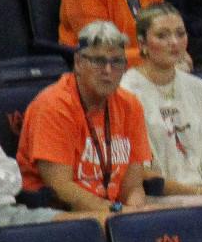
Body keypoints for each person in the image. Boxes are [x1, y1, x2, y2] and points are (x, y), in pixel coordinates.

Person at [17, 22, 156, 218]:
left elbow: (132, 186)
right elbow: (61, 187)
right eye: (98, 61)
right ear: (79, 63)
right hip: (58, 211)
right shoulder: (53, 106)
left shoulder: (130, 105)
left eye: (116, 62)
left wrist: (135, 214)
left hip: (111, 211)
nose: (108, 70)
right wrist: (118, 213)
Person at [122, 5, 202, 205]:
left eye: (180, 34)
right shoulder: (126, 92)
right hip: (156, 197)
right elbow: (143, 176)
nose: (174, 42)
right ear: (142, 43)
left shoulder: (201, 90)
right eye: (162, 36)